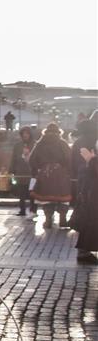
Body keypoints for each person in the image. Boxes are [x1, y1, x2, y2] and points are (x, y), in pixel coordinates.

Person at [29, 123, 72, 229]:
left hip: (45, 173)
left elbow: (32, 160)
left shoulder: (40, 144)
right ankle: (63, 219)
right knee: (63, 196)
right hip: (60, 173)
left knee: (46, 197)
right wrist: (65, 169)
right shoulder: (62, 143)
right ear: (59, 132)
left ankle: (48, 220)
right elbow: (69, 158)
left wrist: (39, 169)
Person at [71, 113, 98, 263]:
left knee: (89, 216)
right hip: (92, 183)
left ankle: (84, 251)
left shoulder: (80, 141)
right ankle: (84, 251)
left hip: (85, 183)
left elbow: (74, 164)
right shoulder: (93, 140)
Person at [11, 126, 36, 216]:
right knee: (21, 193)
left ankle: (33, 210)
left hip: (31, 173)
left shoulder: (35, 144)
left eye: (27, 133)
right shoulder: (18, 145)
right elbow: (13, 158)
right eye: (23, 133)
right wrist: (12, 170)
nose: (25, 135)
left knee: (32, 193)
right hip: (20, 172)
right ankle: (22, 210)